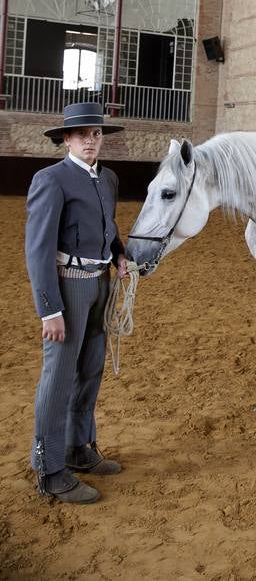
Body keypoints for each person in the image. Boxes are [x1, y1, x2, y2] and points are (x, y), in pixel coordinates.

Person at [26, 102, 129, 504]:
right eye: (82, 133)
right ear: (66, 139)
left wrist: (118, 252)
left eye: (97, 133)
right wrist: (49, 308)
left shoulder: (108, 180)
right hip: (68, 289)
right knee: (58, 377)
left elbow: (108, 225)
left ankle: (78, 448)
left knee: (89, 370)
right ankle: (50, 469)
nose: (91, 139)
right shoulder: (51, 180)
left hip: (100, 283)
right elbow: (38, 250)